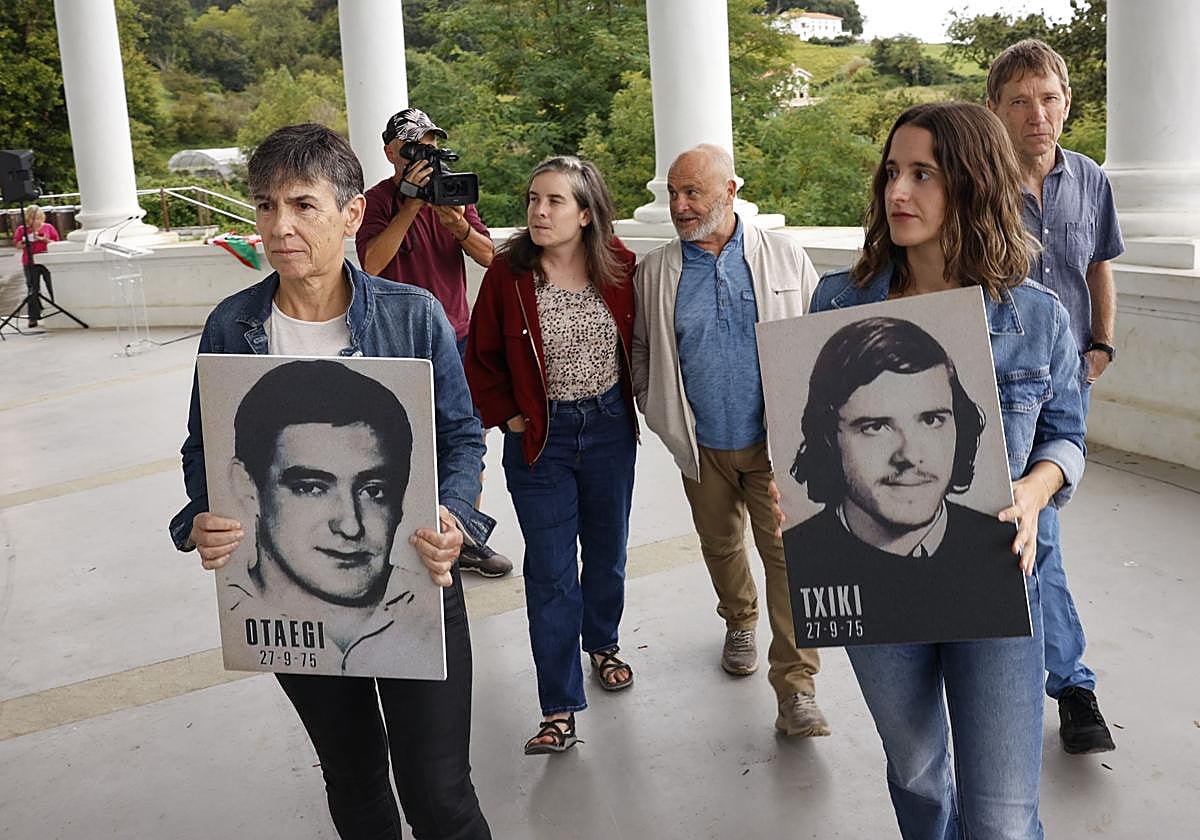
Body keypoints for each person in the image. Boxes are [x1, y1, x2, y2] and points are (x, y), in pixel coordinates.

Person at [168, 123, 492, 839]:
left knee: (439, 793)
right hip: (292, 608)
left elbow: (461, 436)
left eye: (303, 205)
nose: (280, 226)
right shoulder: (232, 325)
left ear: (350, 214)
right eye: (265, 205)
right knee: (352, 782)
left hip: (416, 581)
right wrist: (203, 515)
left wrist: (456, 519)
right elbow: (205, 445)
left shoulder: (412, 316)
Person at [811, 101, 1087, 839]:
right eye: (893, 173)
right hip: (875, 583)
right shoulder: (837, 301)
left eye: (923, 175)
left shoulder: (1038, 317)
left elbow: (1066, 438)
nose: (898, 192)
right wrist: (795, 492)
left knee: (1000, 818)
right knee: (921, 780)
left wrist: (1034, 490)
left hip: (997, 576)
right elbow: (808, 443)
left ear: (971, 184)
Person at [631, 143, 828, 737]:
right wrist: (657, 408)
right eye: (673, 193)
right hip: (702, 445)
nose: (680, 206)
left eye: (693, 193)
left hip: (778, 449)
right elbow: (641, 350)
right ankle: (739, 620)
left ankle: (797, 689)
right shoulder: (656, 271)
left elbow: (821, 337)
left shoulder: (784, 256)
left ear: (730, 192)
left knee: (791, 562)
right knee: (720, 547)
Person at [464, 156, 638, 755]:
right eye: (534, 198)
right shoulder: (508, 277)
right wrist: (509, 416)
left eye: (554, 201)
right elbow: (479, 358)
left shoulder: (620, 269)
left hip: (611, 428)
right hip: (541, 439)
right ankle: (559, 705)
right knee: (551, 570)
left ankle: (604, 643)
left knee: (608, 553)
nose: (538, 210)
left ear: (586, 213)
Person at [987, 37, 1121, 755]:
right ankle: (1071, 684)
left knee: (1036, 528)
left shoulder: (1091, 179)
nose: (1037, 114)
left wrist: (1101, 344)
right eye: (1019, 101)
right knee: (1038, 531)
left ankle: (1050, 676)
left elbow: (1098, 265)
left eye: (1048, 98)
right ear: (995, 110)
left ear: (1067, 102)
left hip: (1067, 386)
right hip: (1003, 386)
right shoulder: (977, 181)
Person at [783, 316, 1031, 645]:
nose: (910, 455)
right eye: (874, 427)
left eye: (931, 420)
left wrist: (1038, 489)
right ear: (827, 438)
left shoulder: (993, 548)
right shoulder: (804, 553)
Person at [356, 106, 511, 579]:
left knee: (467, 442)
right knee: (397, 445)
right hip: (397, 343)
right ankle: (395, 537)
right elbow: (371, 266)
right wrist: (409, 207)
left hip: (457, 338)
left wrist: (458, 225)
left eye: (431, 144)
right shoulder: (377, 201)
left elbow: (493, 258)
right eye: (413, 147)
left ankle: (463, 534)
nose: (425, 154)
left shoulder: (454, 193)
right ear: (390, 152)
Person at [221, 358, 439, 676]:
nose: (350, 525)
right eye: (311, 488)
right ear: (247, 487)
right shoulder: (232, 612)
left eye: (374, 491)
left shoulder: (431, 614)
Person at [12, 205, 59, 328]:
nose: (36, 221)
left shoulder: (48, 227)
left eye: (38, 218)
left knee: (53, 285)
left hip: (47, 260)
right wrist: (25, 240)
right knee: (33, 289)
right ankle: (33, 317)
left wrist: (44, 239)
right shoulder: (22, 229)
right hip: (30, 261)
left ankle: (59, 310)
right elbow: (17, 245)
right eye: (33, 219)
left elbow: (56, 243)